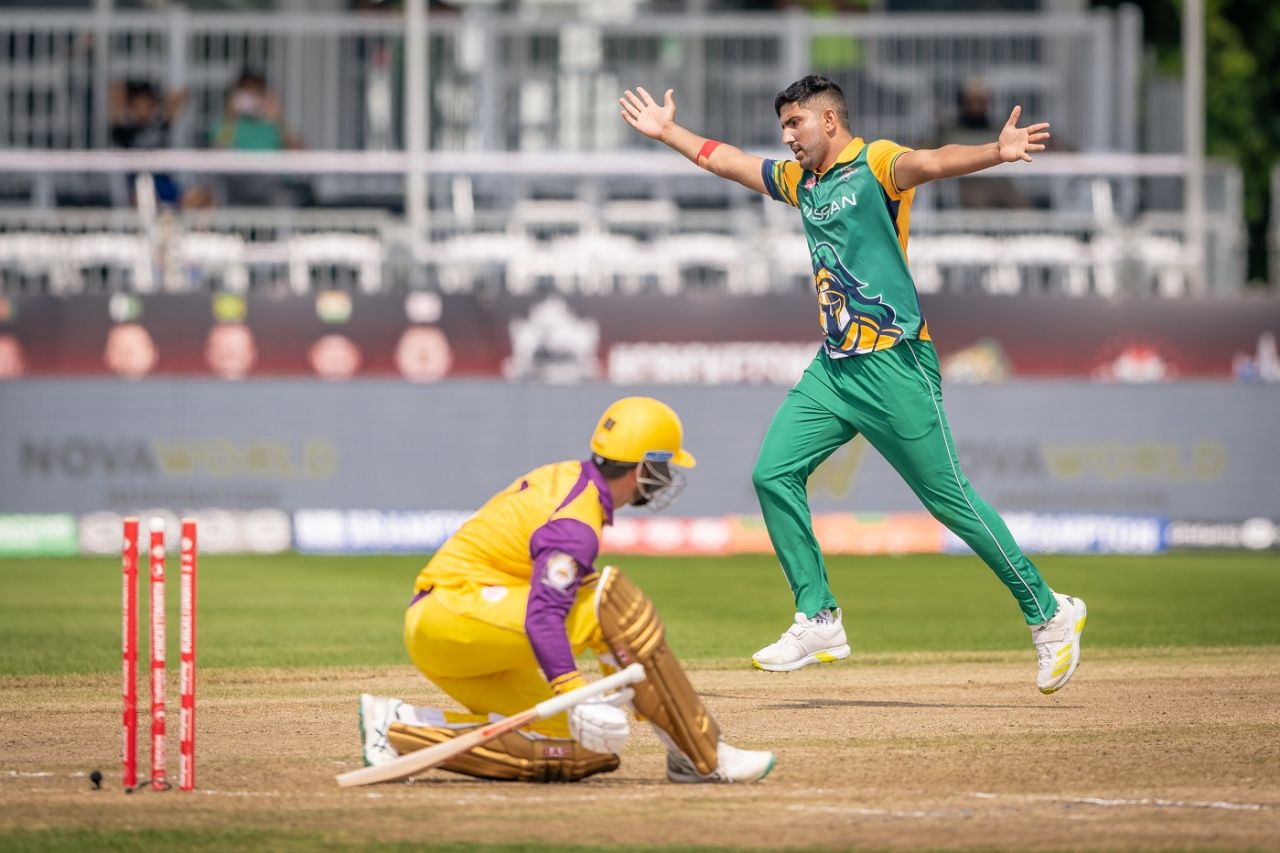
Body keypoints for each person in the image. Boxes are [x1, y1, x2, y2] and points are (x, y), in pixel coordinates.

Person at [619, 75, 1086, 693]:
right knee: (772, 473)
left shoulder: (877, 162)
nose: (787, 137)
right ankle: (818, 618)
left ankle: (1050, 614)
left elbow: (932, 161)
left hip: (896, 365)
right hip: (835, 368)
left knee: (950, 501)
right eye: (784, 126)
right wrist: (667, 132)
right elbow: (730, 162)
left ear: (830, 121)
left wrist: (994, 153)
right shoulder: (800, 182)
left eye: (796, 125)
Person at [358, 397, 775, 783]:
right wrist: (577, 695)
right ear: (644, 466)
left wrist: (585, 704)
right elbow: (543, 617)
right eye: (664, 466)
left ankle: (396, 727)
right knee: (611, 605)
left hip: (461, 628)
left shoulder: (572, 481)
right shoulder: (576, 524)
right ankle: (701, 755)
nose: (667, 478)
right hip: (451, 614)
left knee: (579, 747)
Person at [929, 78, 1028, 209]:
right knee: (980, 205)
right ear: (963, 102)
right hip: (968, 187)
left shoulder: (1000, 130)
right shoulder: (948, 132)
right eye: (972, 100)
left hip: (1001, 186)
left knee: (1023, 207)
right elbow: (929, 154)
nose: (977, 105)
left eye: (981, 100)